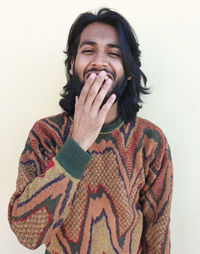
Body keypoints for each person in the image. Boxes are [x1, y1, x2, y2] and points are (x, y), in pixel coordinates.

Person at [8, 8, 173, 254]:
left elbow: (157, 237)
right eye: (88, 50)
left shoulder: (150, 141)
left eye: (114, 53)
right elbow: (27, 234)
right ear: (72, 65)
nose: (99, 61)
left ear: (128, 71)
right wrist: (77, 143)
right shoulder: (45, 134)